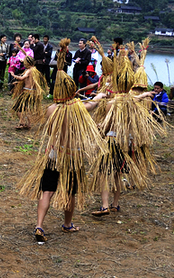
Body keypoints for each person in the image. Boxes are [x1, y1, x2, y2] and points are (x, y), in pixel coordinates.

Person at [19, 39, 107, 243]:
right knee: (70, 191)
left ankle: (39, 225)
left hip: (53, 153)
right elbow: (93, 103)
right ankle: (67, 224)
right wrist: (101, 94)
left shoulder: (51, 109)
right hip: (72, 156)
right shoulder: (79, 108)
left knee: (47, 190)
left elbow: (50, 131)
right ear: (71, 90)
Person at [90, 51, 164, 218]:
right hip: (126, 142)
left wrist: (98, 129)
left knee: (104, 172)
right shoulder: (133, 103)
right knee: (118, 173)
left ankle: (104, 205)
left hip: (112, 140)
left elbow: (108, 126)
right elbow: (134, 123)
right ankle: (115, 205)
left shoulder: (111, 104)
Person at [11, 56, 48, 130]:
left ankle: (22, 123)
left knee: (18, 108)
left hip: (27, 92)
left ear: (28, 63)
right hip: (33, 92)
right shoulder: (36, 71)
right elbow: (31, 81)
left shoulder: (29, 70)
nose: (24, 64)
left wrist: (13, 75)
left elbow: (22, 78)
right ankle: (28, 124)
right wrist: (18, 83)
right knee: (25, 108)